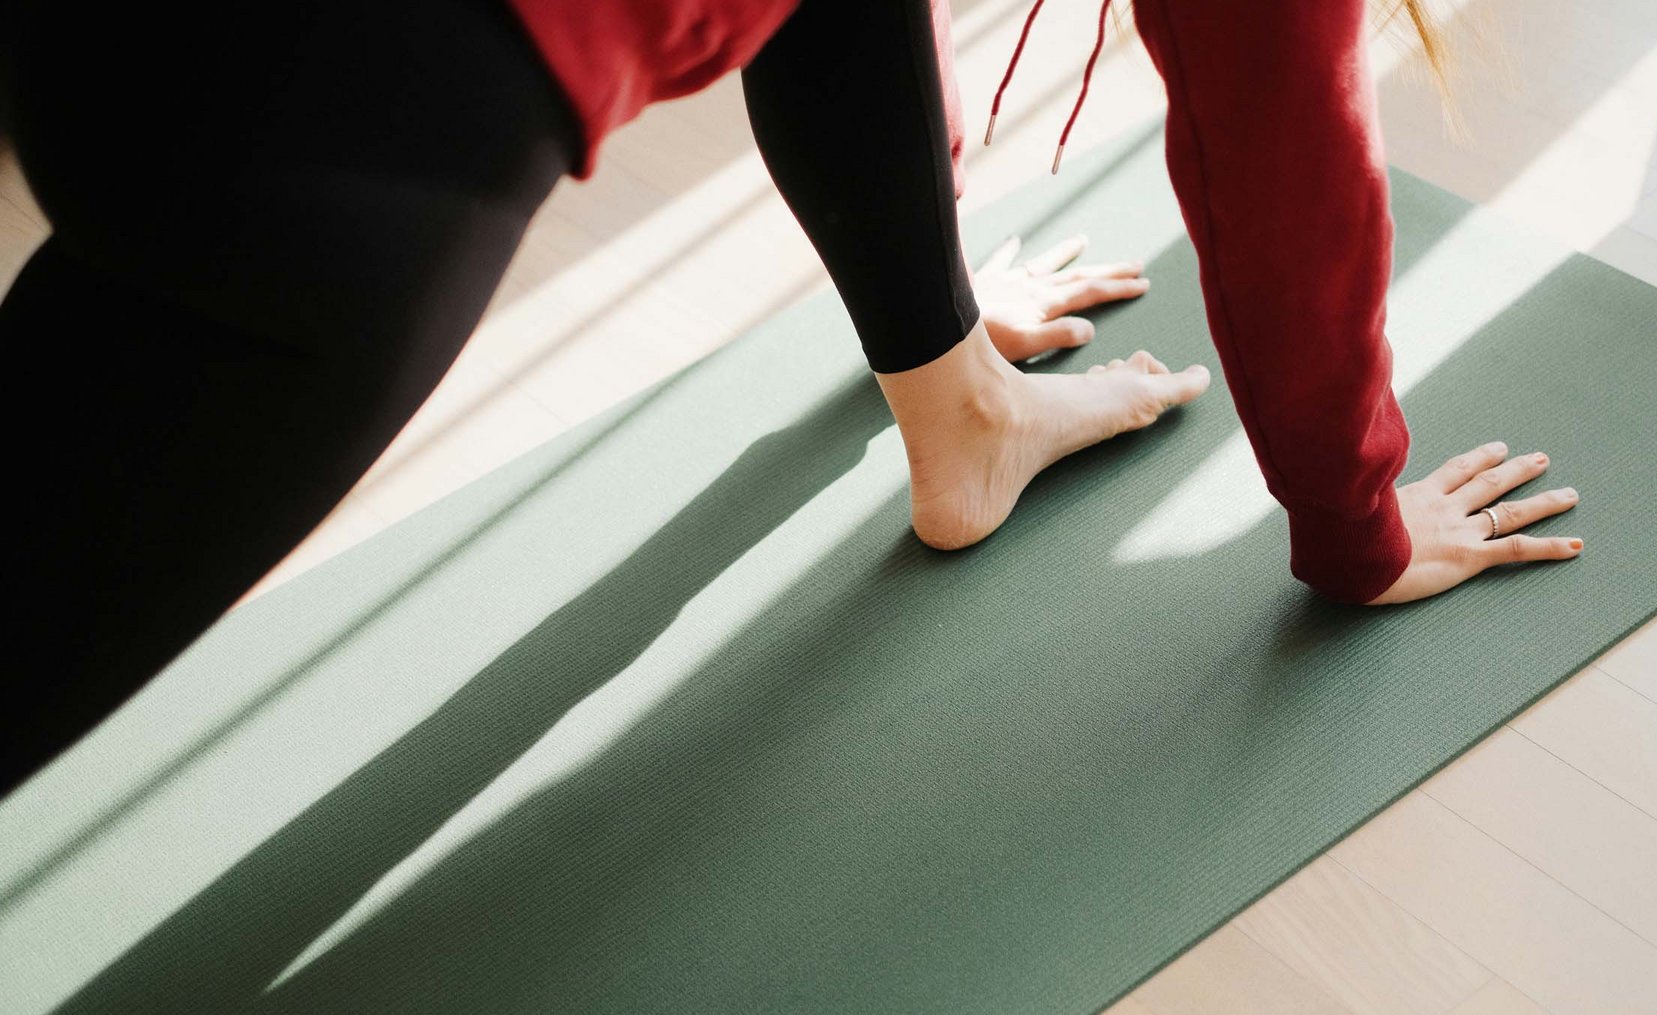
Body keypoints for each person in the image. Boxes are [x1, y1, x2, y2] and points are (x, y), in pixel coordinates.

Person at [0, 0, 1202, 790]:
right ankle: (969, 417)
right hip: (340, 151)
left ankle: (962, 407)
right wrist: (1351, 512)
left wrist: (935, 323)